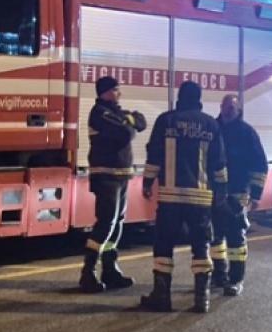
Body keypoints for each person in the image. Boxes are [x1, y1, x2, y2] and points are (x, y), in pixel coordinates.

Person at [139, 81, 227, 312]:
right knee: (200, 246)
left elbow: (154, 155)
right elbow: (219, 163)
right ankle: (202, 298)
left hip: (170, 198)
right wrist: (221, 191)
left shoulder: (165, 120)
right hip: (200, 198)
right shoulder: (210, 124)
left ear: (180, 97)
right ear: (199, 98)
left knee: (164, 245)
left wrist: (147, 182)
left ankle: (161, 296)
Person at [81, 76, 147, 293]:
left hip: (120, 175)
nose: (120, 93)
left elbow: (141, 121)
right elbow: (125, 133)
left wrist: (130, 119)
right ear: (106, 92)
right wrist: (129, 121)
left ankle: (110, 269)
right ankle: (88, 272)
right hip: (106, 175)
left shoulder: (115, 112)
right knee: (106, 223)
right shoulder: (100, 113)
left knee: (116, 223)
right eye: (116, 90)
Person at [214, 93, 268, 297]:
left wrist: (255, 195)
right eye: (225, 106)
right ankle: (219, 275)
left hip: (238, 190)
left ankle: (236, 279)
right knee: (215, 236)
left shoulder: (246, 133)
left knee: (235, 235)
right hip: (215, 191)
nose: (228, 110)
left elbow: (259, 165)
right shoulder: (213, 128)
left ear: (238, 110)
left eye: (232, 107)